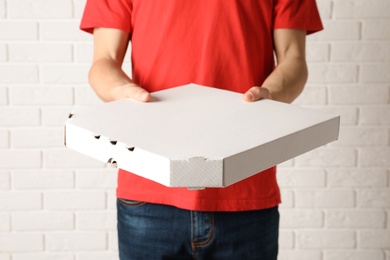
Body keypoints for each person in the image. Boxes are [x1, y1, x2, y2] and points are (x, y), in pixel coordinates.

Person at [80, 1, 322, 259]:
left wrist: (270, 95)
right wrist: (124, 93)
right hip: (148, 191)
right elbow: (104, 60)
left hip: (245, 189)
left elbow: (293, 58)